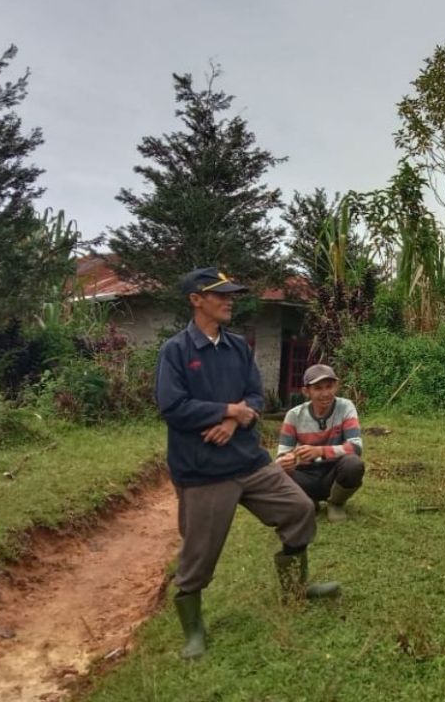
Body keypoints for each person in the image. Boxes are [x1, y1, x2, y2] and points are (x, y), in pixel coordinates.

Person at [156, 267, 340, 661]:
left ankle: (296, 589)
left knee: (299, 510)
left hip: (249, 460)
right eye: (220, 295)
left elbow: (256, 397)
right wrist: (225, 409)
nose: (229, 301)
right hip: (203, 470)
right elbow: (171, 406)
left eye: (231, 295)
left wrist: (233, 418)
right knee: (199, 555)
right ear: (196, 300)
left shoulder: (238, 346)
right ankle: (194, 629)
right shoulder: (177, 351)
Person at [276, 364, 365, 522]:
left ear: (336, 387)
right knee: (278, 473)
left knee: (354, 464)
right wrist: (286, 461)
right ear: (306, 391)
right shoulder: (294, 416)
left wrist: (320, 451)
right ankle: (308, 502)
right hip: (305, 474)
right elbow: (282, 455)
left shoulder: (346, 407)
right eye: (318, 388)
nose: (325, 393)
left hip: (334, 473)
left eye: (329, 387)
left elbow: (356, 447)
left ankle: (336, 503)